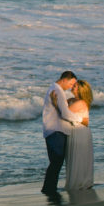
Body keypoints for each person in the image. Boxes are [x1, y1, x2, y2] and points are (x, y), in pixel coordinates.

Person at [41, 70, 87, 198]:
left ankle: (49, 189)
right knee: (57, 161)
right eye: (71, 83)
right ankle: (49, 189)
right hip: (56, 130)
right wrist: (80, 120)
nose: (71, 87)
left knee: (55, 161)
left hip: (52, 129)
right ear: (65, 79)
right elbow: (65, 114)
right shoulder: (58, 91)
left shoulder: (54, 89)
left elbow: (62, 110)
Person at [64, 80, 94, 191]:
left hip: (79, 132)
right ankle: (79, 182)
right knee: (76, 158)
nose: (73, 87)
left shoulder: (80, 103)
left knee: (78, 157)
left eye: (75, 86)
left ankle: (79, 183)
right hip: (75, 132)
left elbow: (63, 113)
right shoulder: (74, 101)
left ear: (80, 90)